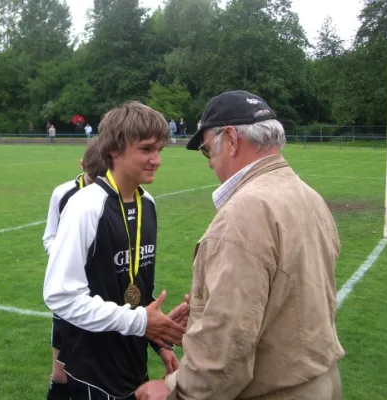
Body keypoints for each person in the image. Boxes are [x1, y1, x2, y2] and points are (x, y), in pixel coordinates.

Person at [136, 90, 344, 400]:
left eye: (208, 150)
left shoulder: (244, 213)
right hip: (319, 382)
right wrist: (206, 305)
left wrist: (172, 390)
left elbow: (227, 347)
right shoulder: (308, 195)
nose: (209, 163)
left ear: (231, 139)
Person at [43, 102, 186, 400]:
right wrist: (141, 322)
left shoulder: (148, 202)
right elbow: (60, 296)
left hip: (132, 358)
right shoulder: (85, 206)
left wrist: (159, 340)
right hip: (93, 366)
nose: (157, 159)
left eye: (160, 149)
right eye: (146, 149)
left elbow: (136, 284)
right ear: (115, 150)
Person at [42, 137, 108, 400]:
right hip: (69, 289)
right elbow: (49, 236)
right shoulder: (63, 193)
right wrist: (65, 255)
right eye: (91, 178)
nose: (95, 184)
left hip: (100, 292)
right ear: (81, 165)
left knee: (95, 371)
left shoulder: (111, 196)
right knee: (60, 373)